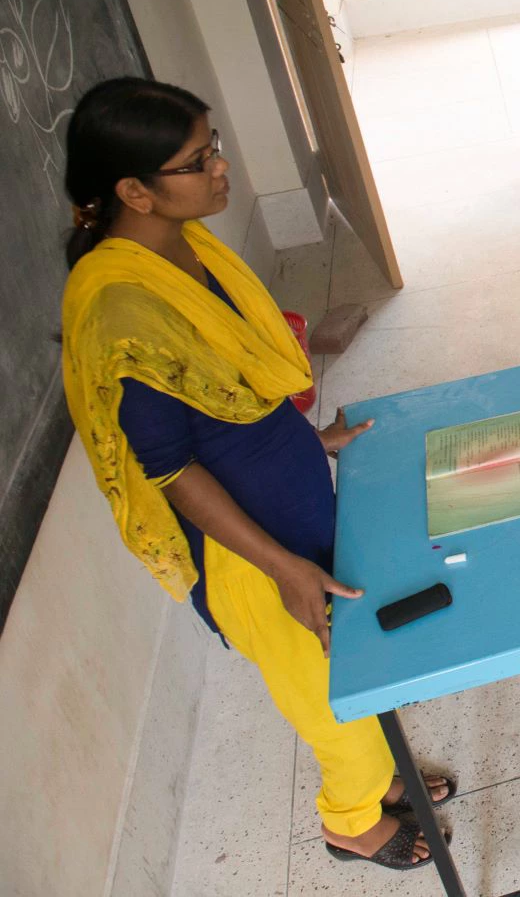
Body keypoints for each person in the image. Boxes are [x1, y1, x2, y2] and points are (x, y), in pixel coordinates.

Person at [59, 79, 454, 872]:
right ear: (135, 190)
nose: (221, 167)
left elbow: (227, 392)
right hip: (249, 550)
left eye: (211, 147)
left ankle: (386, 779)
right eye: (197, 158)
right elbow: (172, 469)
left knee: (354, 653)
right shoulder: (121, 311)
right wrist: (283, 567)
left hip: (291, 494)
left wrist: (314, 441)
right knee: (326, 689)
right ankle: (353, 818)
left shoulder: (185, 247)